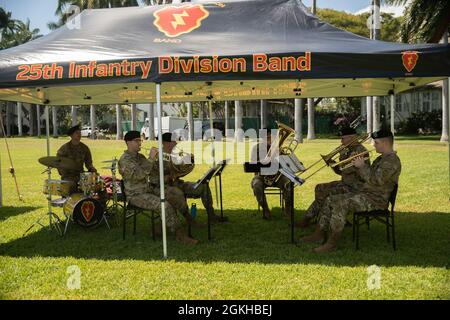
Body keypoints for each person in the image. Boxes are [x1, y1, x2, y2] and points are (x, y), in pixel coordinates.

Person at [300, 129, 401, 253]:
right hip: (367, 194)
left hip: (376, 200)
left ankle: (331, 243)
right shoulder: (382, 158)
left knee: (340, 203)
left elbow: (376, 181)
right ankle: (318, 234)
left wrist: (361, 166)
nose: (373, 145)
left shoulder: (391, 161)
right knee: (330, 199)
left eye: (376, 142)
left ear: (385, 143)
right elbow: (370, 179)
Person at [118, 131, 197, 245]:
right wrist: (150, 158)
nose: (140, 143)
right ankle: (180, 235)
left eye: (140, 140)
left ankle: (159, 228)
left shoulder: (140, 157)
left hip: (148, 190)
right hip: (136, 195)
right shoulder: (125, 160)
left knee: (174, 194)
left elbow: (151, 169)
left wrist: (163, 158)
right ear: (128, 142)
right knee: (163, 205)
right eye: (137, 141)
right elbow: (139, 175)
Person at [297, 127, 369, 228]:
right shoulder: (346, 150)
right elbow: (341, 172)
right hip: (346, 183)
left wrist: (339, 163)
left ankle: (309, 219)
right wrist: (332, 162)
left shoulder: (360, 151)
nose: (341, 141)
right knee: (320, 188)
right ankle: (320, 217)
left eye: (343, 138)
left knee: (325, 193)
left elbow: (349, 170)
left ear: (352, 138)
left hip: (355, 186)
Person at [148, 132, 224, 223]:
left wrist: (189, 161)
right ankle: (189, 219)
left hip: (176, 184)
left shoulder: (174, 155)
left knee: (203, 187)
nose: (176, 144)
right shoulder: (157, 156)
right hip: (161, 187)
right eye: (173, 142)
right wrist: (168, 178)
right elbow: (152, 178)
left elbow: (180, 171)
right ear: (165, 143)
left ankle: (212, 216)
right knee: (178, 193)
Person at [250, 130, 293, 219]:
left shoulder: (278, 148)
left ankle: (288, 208)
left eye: (271, 137)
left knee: (289, 183)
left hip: (278, 176)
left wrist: (281, 156)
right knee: (256, 185)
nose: (270, 140)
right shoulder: (256, 149)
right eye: (267, 138)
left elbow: (287, 164)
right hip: (261, 176)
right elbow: (253, 164)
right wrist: (266, 160)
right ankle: (265, 209)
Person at [56, 125, 97, 193]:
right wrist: (64, 173)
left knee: (98, 184)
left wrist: (92, 168)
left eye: (80, 133)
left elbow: (89, 163)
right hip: (68, 176)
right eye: (77, 133)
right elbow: (58, 163)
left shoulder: (85, 148)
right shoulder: (64, 148)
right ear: (71, 135)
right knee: (70, 186)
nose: (79, 135)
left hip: (81, 175)